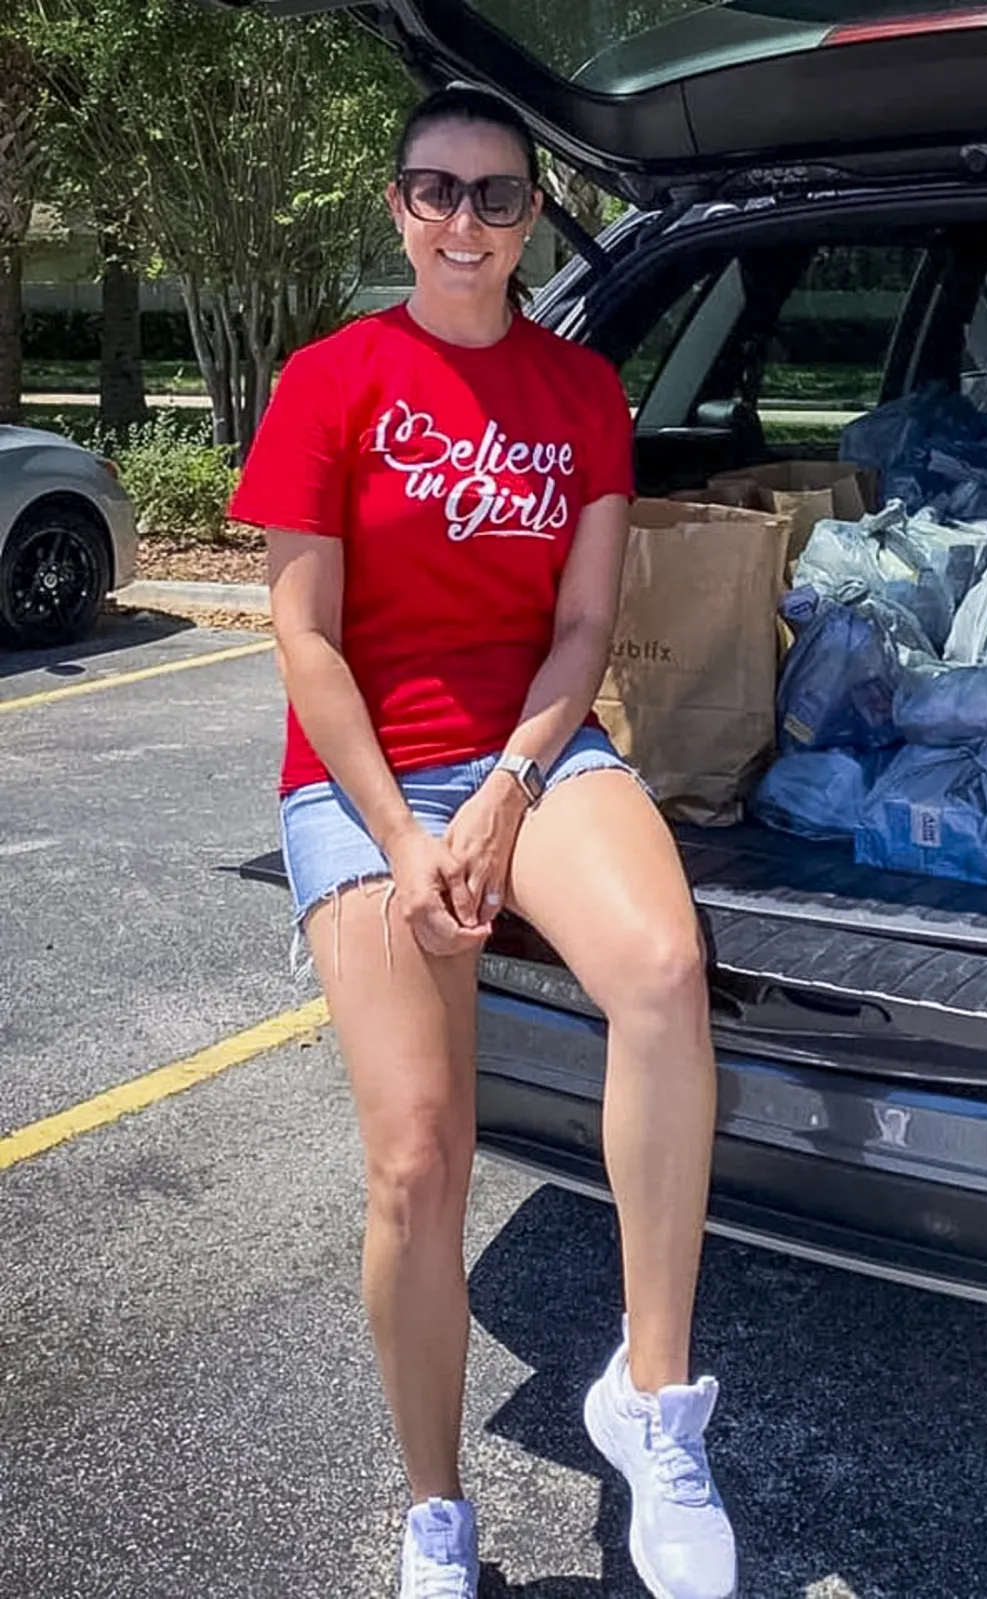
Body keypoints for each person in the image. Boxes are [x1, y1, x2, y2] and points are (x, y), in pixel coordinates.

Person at [228, 84, 735, 1599]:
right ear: (396, 206)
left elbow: (583, 627)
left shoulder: (578, 393)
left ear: (531, 218)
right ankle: (437, 1509)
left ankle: (653, 1401)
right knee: (417, 1162)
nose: (463, 221)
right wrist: (401, 838)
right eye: (435, 191)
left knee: (659, 969)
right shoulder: (330, 380)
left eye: (496, 196)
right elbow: (303, 642)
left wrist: (512, 788)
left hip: (531, 747)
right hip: (359, 774)